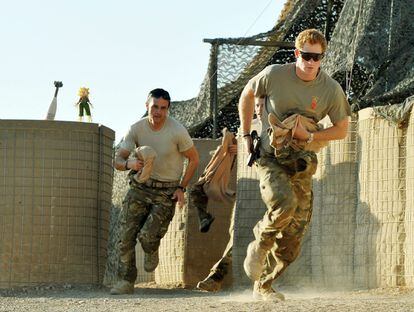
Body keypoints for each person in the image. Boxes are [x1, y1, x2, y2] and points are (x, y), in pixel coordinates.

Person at [238, 29, 351, 301]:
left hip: (302, 162)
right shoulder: (275, 74)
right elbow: (247, 94)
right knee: (282, 204)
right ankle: (260, 244)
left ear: (322, 58)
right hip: (270, 157)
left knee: (294, 235)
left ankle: (264, 284)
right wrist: (245, 135)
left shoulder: (330, 89)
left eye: (317, 57)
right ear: (297, 54)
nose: (311, 62)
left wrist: (310, 136)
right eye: (307, 56)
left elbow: (341, 129)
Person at [110, 88, 199, 295]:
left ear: (168, 109)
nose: (158, 112)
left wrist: (181, 187)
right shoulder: (136, 129)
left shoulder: (177, 131)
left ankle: (151, 248)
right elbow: (118, 159)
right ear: (147, 106)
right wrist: (130, 164)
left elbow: (193, 159)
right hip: (140, 187)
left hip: (165, 192)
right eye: (154, 107)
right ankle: (125, 281)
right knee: (125, 235)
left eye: (163, 108)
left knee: (147, 236)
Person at [196, 97, 264, 292]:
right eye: (256, 106)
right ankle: (216, 277)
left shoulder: (276, 128)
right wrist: (234, 150)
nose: (258, 109)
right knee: (237, 236)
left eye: (262, 105)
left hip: (271, 195)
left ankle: (262, 283)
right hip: (247, 194)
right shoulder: (246, 132)